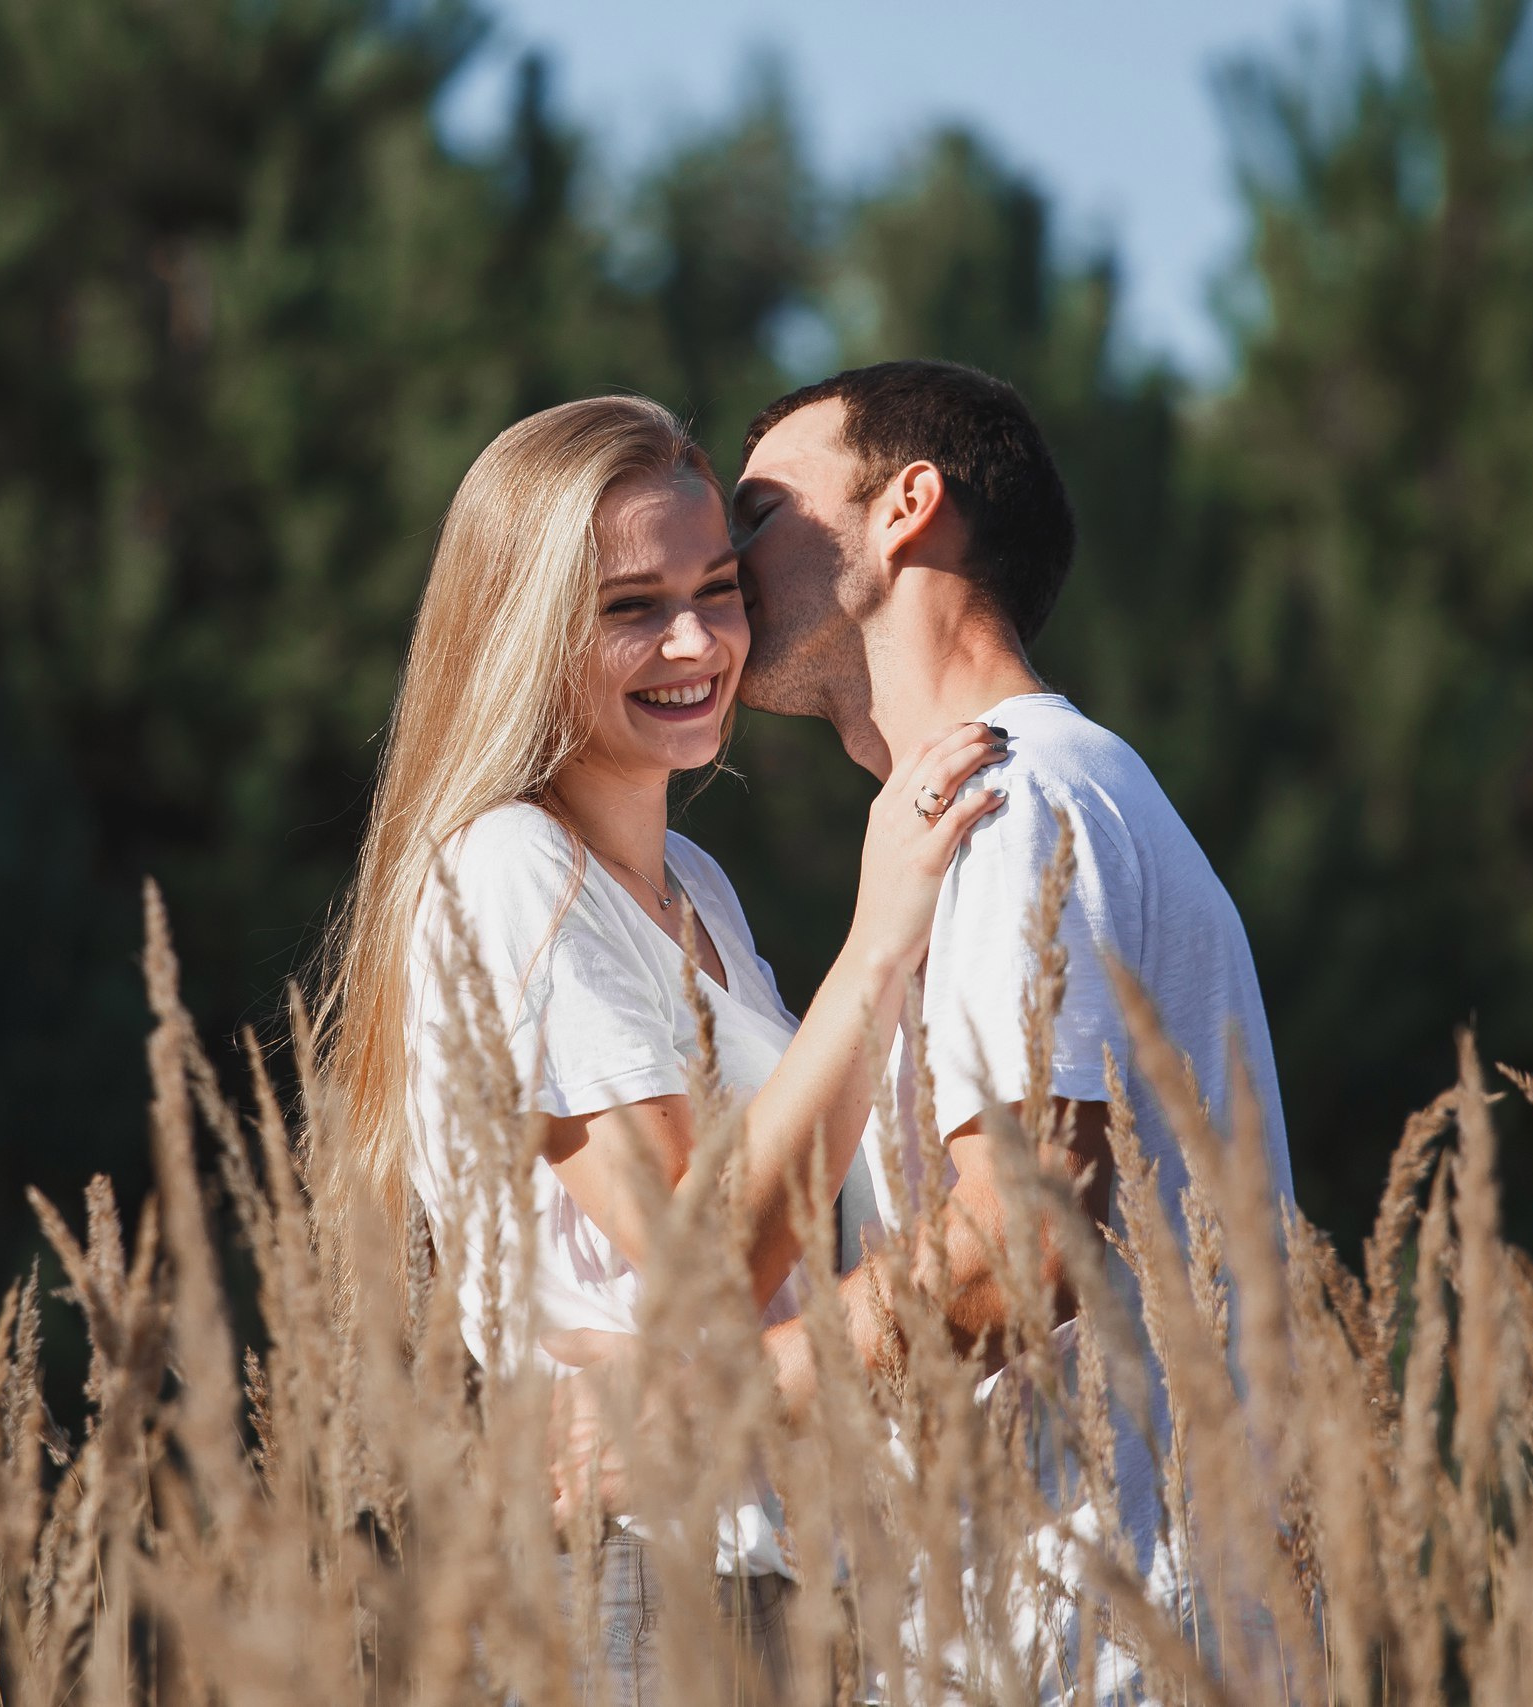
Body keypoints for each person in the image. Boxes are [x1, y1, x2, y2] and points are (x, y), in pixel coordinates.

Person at [316, 394, 1009, 1698]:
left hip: (773, 1573)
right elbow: (705, 1255)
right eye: (632, 605)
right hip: (632, 1576)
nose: (697, 640)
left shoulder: (696, 883)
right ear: (526, 634)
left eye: (716, 588)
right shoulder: (512, 867)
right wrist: (881, 933)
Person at [728, 360, 1295, 1636]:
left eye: (759, 511)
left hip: (1083, 1637)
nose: (725, 557)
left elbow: (1021, 1238)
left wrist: (705, 1401)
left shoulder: (1016, 798)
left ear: (904, 505)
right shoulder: (1029, 798)